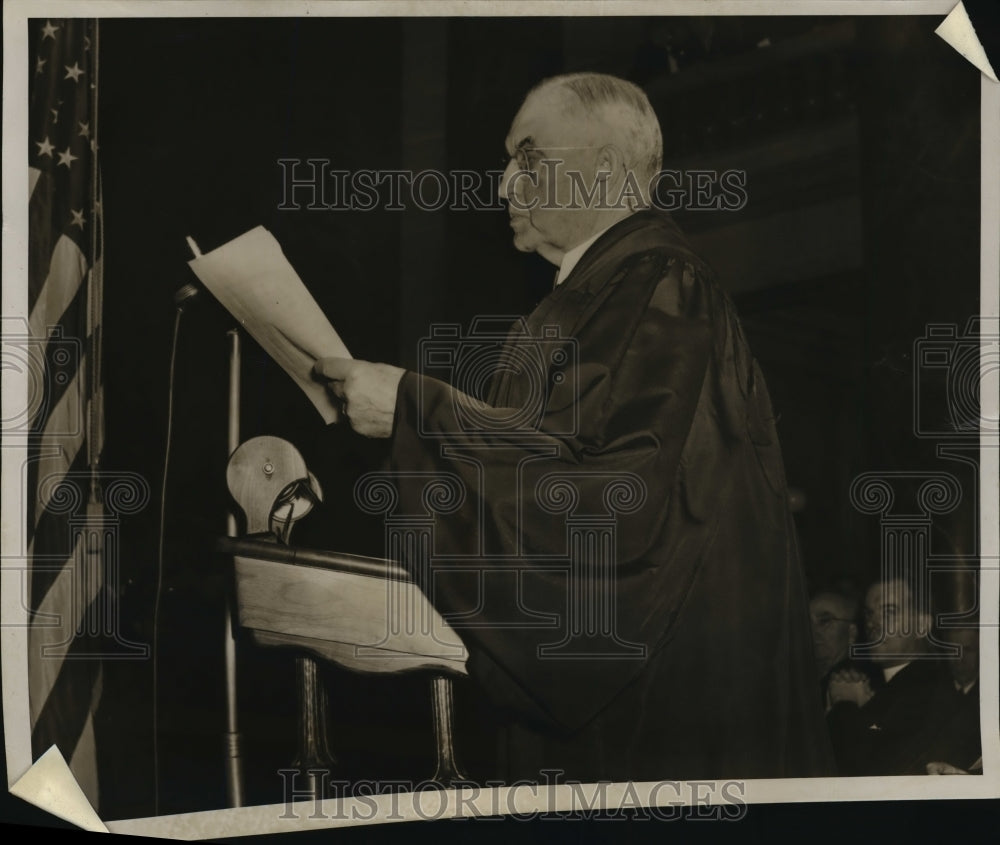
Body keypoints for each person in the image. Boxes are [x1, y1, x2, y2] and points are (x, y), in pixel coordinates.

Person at [314, 72, 832, 782]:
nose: (504, 184)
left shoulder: (660, 285)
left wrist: (415, 411)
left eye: (527, 157)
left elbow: (612, 505)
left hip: (660, 726)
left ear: (605, 168)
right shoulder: (604, 294)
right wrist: (417, 416)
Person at [826, 575, 959, 775]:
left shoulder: (929, 687)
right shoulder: (881, 682)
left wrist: (845, 704)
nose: (873, 624)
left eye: (889, 612)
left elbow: (868, 772)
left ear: (922, 626)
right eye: (869, 614)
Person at [809, 589, 877, 712]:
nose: (813, 631)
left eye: (825, 621)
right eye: (807, 623)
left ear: (852, 633)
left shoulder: (852, 682)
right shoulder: (799, 679)